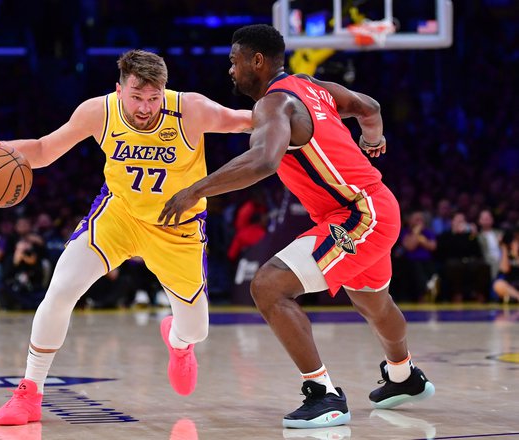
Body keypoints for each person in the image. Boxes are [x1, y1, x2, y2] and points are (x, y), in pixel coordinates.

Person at [159, 24, 434, 429]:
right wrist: (372, 141)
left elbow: (263, 161)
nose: (230, 70)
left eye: (234, 61)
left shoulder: (274, 105)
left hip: (358, 214)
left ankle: (325, 396)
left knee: (268, 286)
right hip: (376, 206)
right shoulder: (310, 86)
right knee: (372, 302)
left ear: (257, 60)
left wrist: (195, 191)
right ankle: (403, 376)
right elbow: (369, 107)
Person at [0, 49, 251, 426]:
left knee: (197, 329)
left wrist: (309, 115)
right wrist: (0, 147)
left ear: (164, 90)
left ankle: (178, 343)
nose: (146, 108)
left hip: (176, 228)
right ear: (119, 90)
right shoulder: (99, 112)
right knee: (62, 288)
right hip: (120, 216)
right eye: (136, 97)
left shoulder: (191, 110)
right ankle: (29, 392)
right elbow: (46, 149)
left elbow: (247, 120)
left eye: (153, 98)